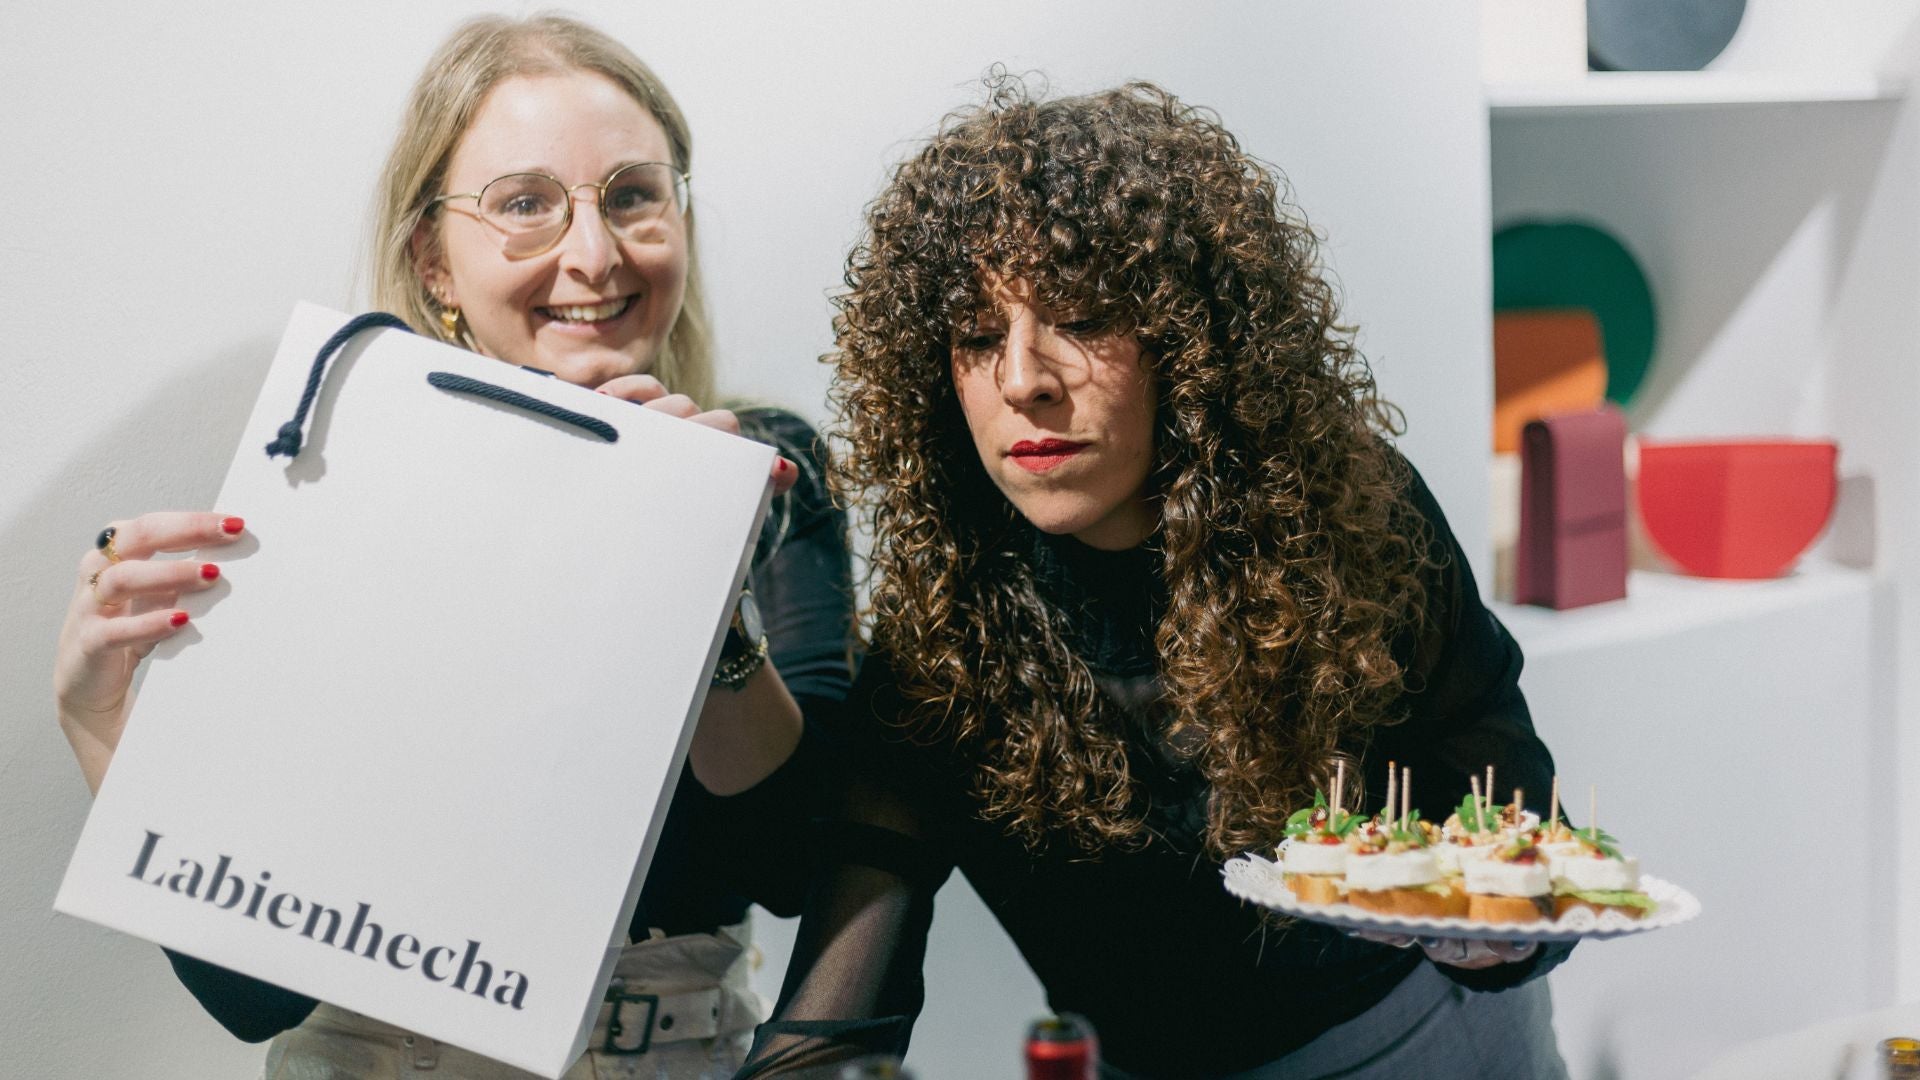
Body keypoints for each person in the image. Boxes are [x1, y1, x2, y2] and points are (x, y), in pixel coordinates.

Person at [51, 14, 852, 1078]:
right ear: (433, 256)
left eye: (632, 195)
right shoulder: (330, 482)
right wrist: (102, 726)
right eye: (525, 204)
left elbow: (791, 864)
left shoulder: (772, 470)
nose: (594, 253)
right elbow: (253, 992)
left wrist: (702, 588)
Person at [736, 81, 1572, 1078]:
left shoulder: (1351, 520)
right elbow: (842, 987)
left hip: (1421, 1048)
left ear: (1190, 337)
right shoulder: (950, 636)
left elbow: (1513, 816)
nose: (1022, 379)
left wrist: (1507, 922)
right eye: (974, 335)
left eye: (1082, 317)